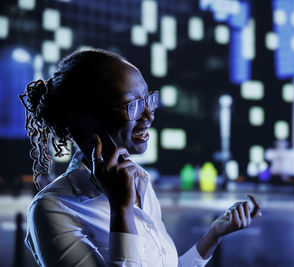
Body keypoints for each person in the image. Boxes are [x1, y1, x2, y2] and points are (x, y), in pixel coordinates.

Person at [19, 49, 262, 266]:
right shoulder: (51, 209)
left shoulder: (140, 183)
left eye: (148, 99)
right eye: (132, 104)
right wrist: (121, 210)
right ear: (83, 123)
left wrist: (214, 234)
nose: (149, 114)